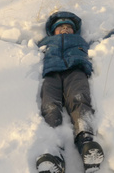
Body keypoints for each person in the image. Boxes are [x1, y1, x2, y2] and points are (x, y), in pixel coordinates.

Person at [35, 11, 104, 173]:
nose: (65, 29)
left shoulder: (81, 41)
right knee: (50, 105)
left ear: (74, 31)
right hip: (52, 73)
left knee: (79, 98)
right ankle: (54, 151)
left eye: (68, 27)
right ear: (53, 31)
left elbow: (104, 40)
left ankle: (86, 141)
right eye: (61, 27)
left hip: (76, 70)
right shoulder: (45, 42)